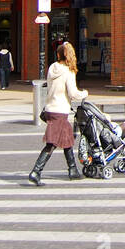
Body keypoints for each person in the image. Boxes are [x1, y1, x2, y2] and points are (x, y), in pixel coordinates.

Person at [27, 42, 87, 186]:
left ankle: (72, 170)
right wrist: (84, 93)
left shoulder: (52, 68)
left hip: (50, 108)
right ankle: (36, 171)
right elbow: (73, 93)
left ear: (58, 54)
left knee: (67, 140)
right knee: (52, 143)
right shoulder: (68, 71)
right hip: (60, 110)